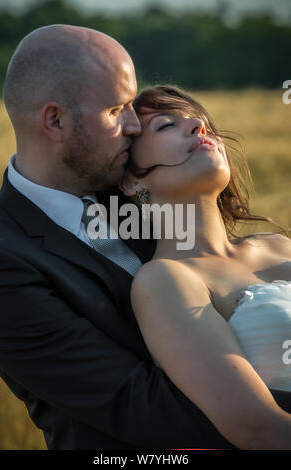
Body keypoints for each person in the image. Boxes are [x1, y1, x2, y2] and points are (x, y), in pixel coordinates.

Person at [0, 24, 290, 451]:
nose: (133, 126)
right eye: (116, 110)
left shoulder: (150, 189)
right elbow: (139, 408)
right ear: (54, 120)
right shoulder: (2, 263)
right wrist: (264, 418)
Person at [120, 85, 291, 449]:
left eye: (202, 122)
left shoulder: (278, 246)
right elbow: (257, 429)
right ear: (131, 179)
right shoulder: (165, 280)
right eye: (166, 125)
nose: (200, 125)